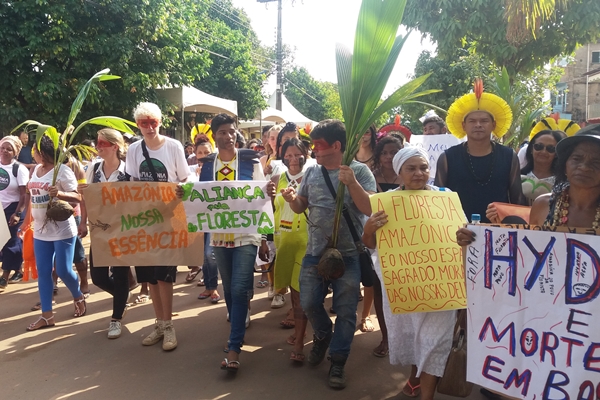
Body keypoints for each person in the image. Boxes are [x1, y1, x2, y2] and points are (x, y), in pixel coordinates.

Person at [281, 119, 376, 389]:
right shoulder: (312, 173)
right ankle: (323, 335)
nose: (314, 152)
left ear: (336, 145)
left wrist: (353, 183)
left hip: (348, 256)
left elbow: (369, 208)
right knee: (309, 303)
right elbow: (302, 207)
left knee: (346, 312)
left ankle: (338, 361)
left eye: (319, 146)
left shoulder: (360, 172)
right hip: (314, 254)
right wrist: (292, 200)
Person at [365, 146, 458, 400]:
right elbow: (371, 245)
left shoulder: (446, 198)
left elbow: (459, 235)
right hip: (405, 286)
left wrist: (465, 235)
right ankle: (414, 375)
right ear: (399, 172)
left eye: (424, 167)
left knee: (436, 341)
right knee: (414, 337)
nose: (419, 173)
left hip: (442, 285)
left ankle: (426, 395)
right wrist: (370, 229)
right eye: (411, 168)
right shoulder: (386, 203)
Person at [193, 113, 272, 372]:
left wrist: (262, 236)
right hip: (218, 235)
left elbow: (262, 197)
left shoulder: (250, 161)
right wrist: (182, 192)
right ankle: (240, 315)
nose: (228, 136)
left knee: (238, 287)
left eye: (232, 131)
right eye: (223, 132)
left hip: (247, 234)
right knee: (229, 286)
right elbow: (199, 199)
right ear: (214, 134)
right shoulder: (206, 165)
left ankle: (234, 345)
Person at [126, 102, 189, 351]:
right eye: (144, 123)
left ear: (160, 122)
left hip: (169, 218)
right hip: (145, 220)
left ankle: (169, 325)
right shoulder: (134, 150)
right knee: (150, 276)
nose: (150, 127)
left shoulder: (173, 147)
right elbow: (132, 182)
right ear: (138, 125)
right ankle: (160, 324)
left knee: (165, 274)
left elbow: (184, 178)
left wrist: (180, 195)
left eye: (153, 122)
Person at [435, 79, 525, 221]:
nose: (478, 125)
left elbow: (517, 198)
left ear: (493, 125)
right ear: (464, 125)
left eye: (484, 121)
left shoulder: (509, 156)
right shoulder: (447, 157)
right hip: (457, 230)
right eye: (472, 121)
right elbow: (438, 198)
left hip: (498, 231)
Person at [22, 134, 86, 331]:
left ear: (42, 152)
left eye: (35, 149)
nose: (33, 153)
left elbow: (77, 197)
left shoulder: (62, 171)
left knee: (65, 270)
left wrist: (59, 193)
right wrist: (27, 221)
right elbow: (33, 198)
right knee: (44, 272)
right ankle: (47, 316)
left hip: (63, 229)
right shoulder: (36, 171)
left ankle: (78, 296)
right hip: (41, 230)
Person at [80, 129, 131, 339]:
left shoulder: (129, 171)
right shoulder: (93, 168)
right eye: (97, 143)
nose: (98, 147)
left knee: (120, 275)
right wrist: (82, 221)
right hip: (100, 229)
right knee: (99, 277)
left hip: (123, 229)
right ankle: (123, 296)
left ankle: (116, 318)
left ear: (114, 146)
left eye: (102, 143)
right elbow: (85, 197)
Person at [362, 135, 403, 356]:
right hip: (379, 240)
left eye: (394, 152)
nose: (389, 157)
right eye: (384, 153)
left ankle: (402, 338)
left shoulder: (409, 178)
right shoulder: (371, 178)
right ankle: (386, 338)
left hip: (406, 242)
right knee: (379, 289)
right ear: (378, 156)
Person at [270, 138, 309, 361]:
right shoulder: (276, 179)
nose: (293, 159)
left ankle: (301, 341)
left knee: (302, 290)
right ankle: (299, 330)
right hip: (284, 243)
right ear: (283, 156)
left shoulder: (313, 177)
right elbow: (267, 210)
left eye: (298, 154)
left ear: (306, 153)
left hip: (306, 242)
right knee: (293, 293)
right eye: (288, 155)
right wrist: (266, 241)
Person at [0, 136, 29, 288]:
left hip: (14, 208)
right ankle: (17, 268)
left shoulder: (19, 169)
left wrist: (18, 213)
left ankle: (4, 276)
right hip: (0, 208)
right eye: (2, 147)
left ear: (15, 152)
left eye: (9, 149)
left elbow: (24, 194)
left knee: (12, 242)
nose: (4, 151)